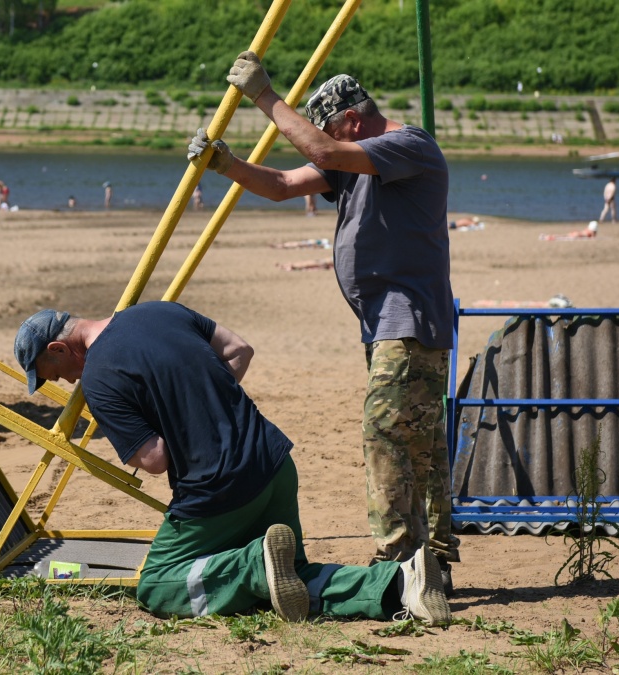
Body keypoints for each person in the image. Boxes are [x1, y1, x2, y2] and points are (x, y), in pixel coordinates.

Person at [188, 56, 458, 591]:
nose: (329, 142)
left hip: (406, 322)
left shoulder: (409, 146)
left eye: (331, 129)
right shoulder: (357, 159)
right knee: (417, 445)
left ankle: (398, 568)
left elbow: (322, 150)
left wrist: (265, 96)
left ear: (353, 122)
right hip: (388, 325)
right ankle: (431, 563)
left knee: (388, 439)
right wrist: (227, 164)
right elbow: (286, 182)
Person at [14, 303, 451, 625]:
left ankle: (256, 566)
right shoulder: (157, 311)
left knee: (158, 585)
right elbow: (240, 349)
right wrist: (208, 400)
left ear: (59, 347)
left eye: (52, 372)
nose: (63, 382)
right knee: (293, 580)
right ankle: (402, 583)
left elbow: (154, 459)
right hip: (272, 462)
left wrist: (146, 423)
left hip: (217, 487)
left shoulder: (98, 378)